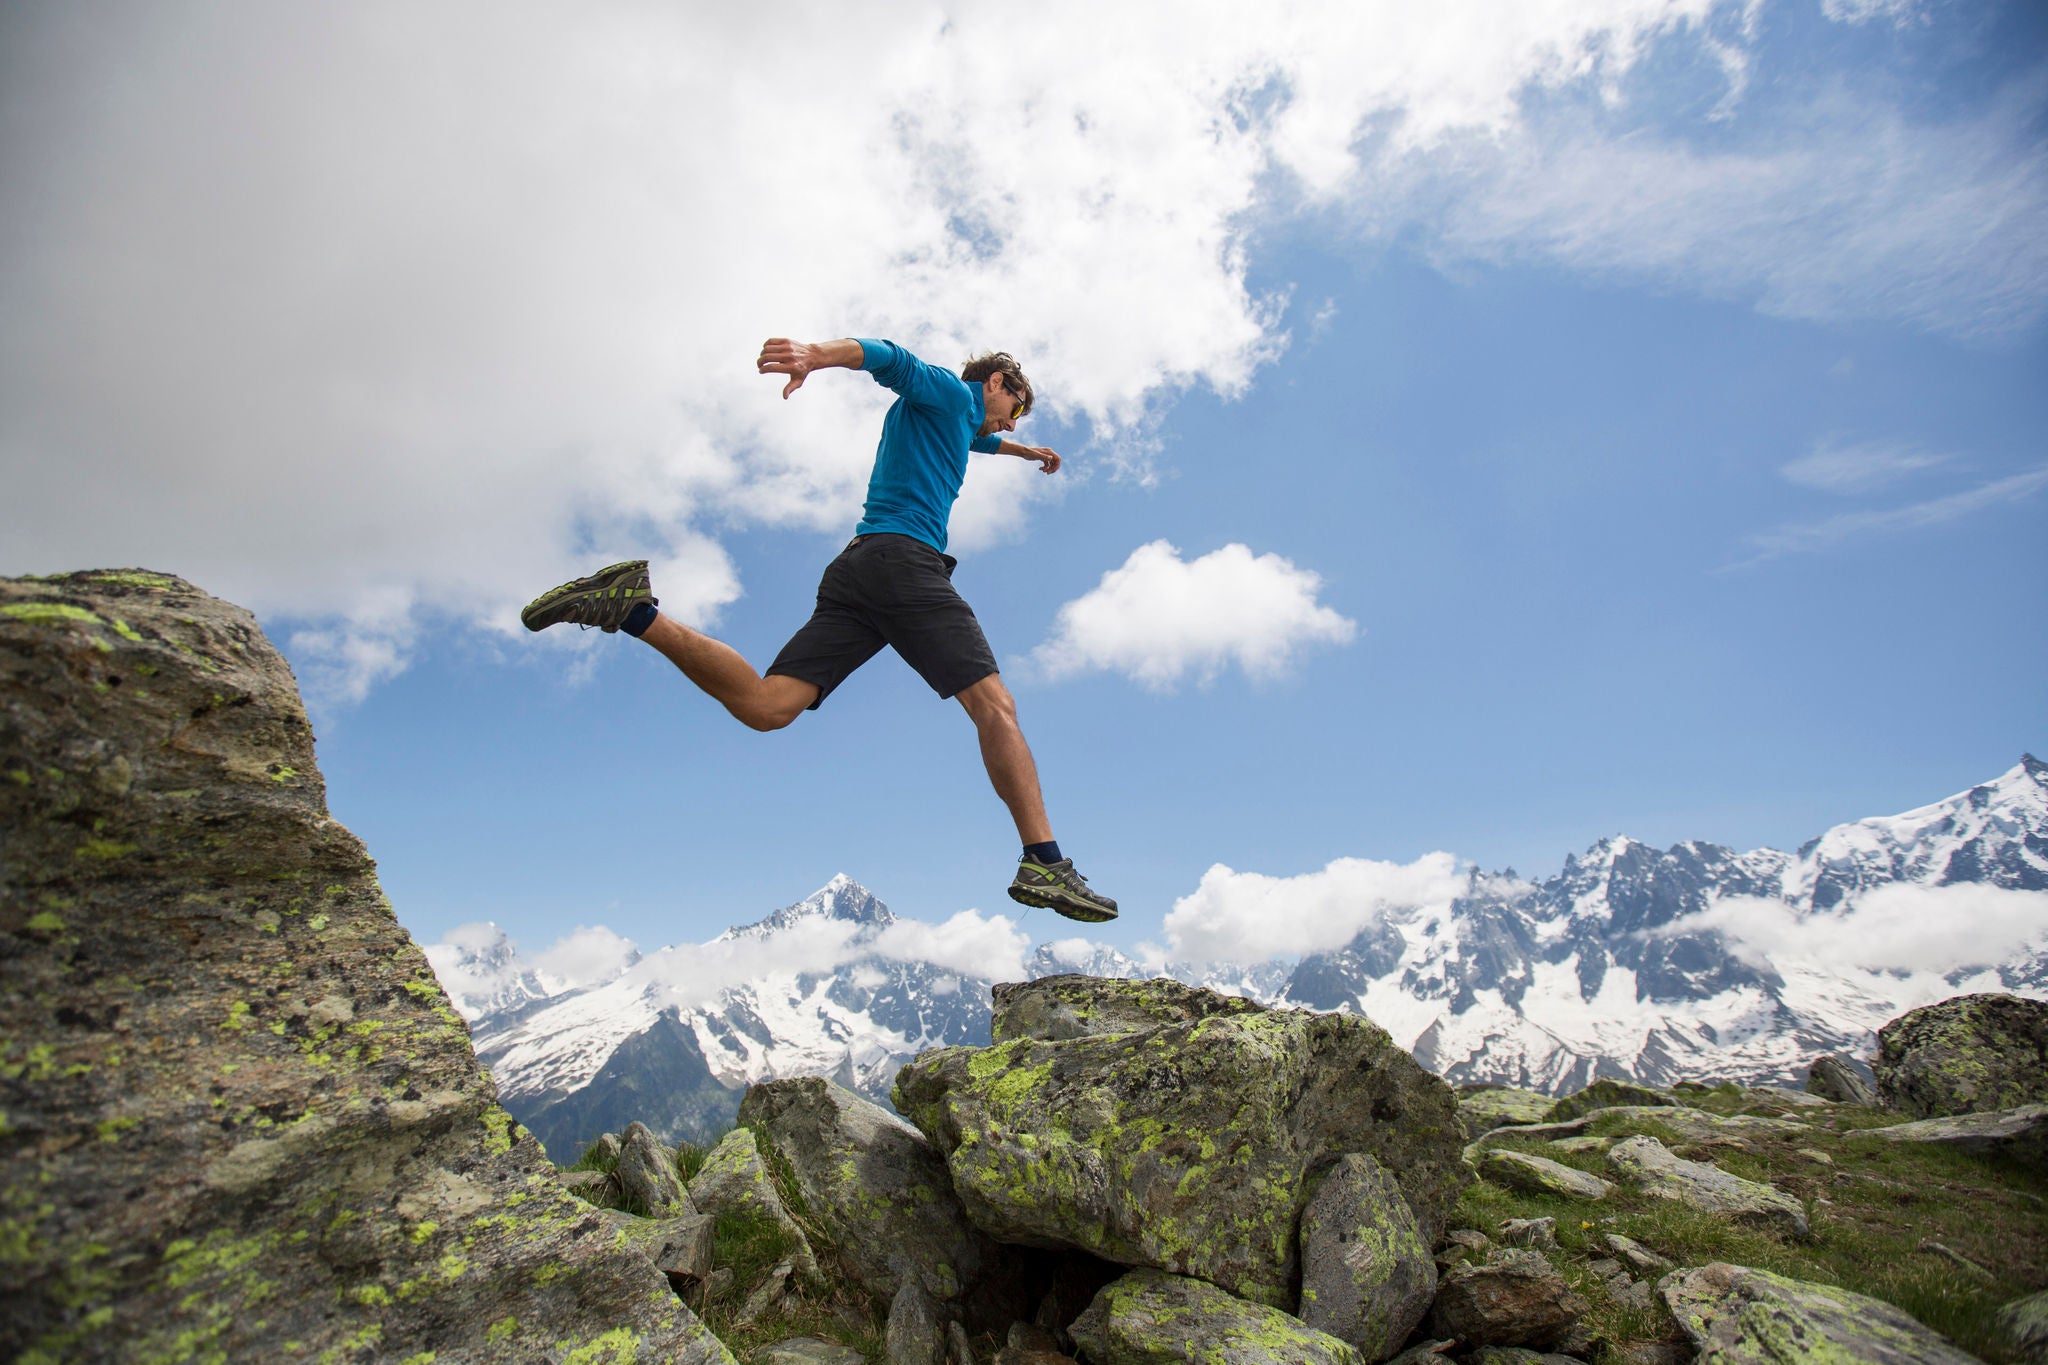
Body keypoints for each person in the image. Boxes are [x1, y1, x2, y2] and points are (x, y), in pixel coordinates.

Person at [520, 337, 1118, 923]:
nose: (1011, 422)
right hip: (904, 562)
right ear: (996, 385)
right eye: (1015, 410)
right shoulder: (950, 393)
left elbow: (980, 443)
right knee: (996, 707)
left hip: (858, 572)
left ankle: (631, 609)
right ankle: (1044, 861)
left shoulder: (955, 421)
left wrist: (1024, 450)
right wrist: (815, 355)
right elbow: (887, 356)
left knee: (766, 705)